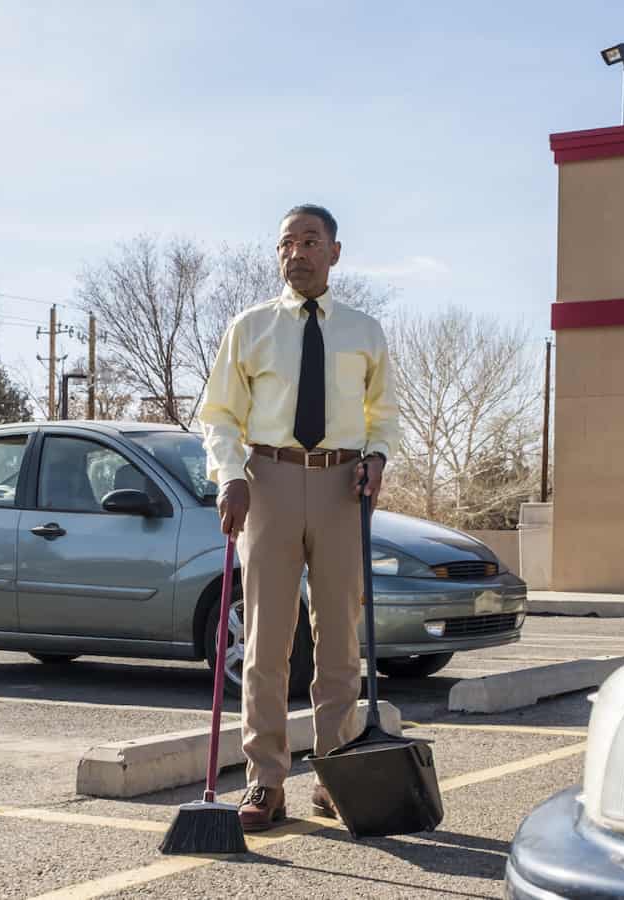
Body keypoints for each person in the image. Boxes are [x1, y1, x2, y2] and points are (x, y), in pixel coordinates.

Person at [199, 204, 400, 831]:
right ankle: (265, 782)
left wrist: (377, 457)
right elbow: (219, 416)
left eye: (310, 241)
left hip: (344, 486)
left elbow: (383, 414)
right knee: (265, 641)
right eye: (287, 243)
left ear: (334, 252)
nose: (297, 253)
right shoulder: (250, 326)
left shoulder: (364, 331)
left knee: (340, 636)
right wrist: (230, 476)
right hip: (268, 483)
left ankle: (336, 773)